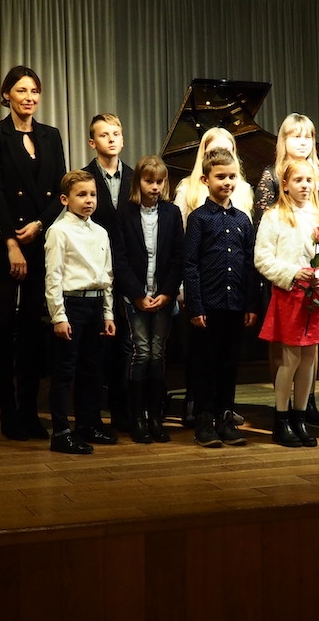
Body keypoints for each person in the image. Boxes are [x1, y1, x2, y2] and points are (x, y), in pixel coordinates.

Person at [0, 66, 65, 441]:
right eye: (21, 90)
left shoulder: (51, 136)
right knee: (3, 328)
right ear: (6, 95)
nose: (29, 97)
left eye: (34, 91)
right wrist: (12, 243)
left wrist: (40, 225)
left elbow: (61, 189)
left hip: (39, 242)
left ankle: (30, 411)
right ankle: (8, 412)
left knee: (32, 329)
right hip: (4, 247)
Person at [253, 113, 319, 429]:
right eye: (298, 181)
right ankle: (282, 415)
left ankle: (301, 414)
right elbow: (263, 256)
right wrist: (291, 273)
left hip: (315, 295)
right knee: (289, 358)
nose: (305, 185)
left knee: (310, 357)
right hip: (288, 293)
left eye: (309, 181)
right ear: (285, 185)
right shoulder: (274, 213)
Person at [173, 126, 254, 427]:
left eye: (232, 177)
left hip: (235, 304)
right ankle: (204, 417)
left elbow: (248, 265)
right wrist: (195, 306)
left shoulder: (243, 220)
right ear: (206, 180)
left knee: (229, 362)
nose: (227, 182)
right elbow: (190, 264)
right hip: (208, 305)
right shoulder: (198, 218)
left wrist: (250, 304)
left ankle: (225, 414)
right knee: (205, 362)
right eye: (221, 177)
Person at [111, 156, 185, 444]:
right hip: (137, 297)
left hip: (163, 295)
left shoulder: (172, 213)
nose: (154, 187)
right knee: (141, 353)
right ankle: (137, 418)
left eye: (159, 182)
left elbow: (178, 257)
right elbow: (120, 259)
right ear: (138, 182)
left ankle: (156, 417)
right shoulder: (125, 212)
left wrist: (167, 293)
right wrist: (137, 295)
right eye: (149, 181)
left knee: (158, 353)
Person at [44, 170, 117, 454]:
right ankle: (62, 432)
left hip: (95, 304)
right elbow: (53, 277)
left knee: (92, 369)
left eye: (93, 195)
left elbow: (106, 276)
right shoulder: (59, 231)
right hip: (71, 304)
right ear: (65, 199)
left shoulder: (100, 232)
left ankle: (88, 424)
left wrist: (108, 314)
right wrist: (59, 316)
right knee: (65, 370)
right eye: (82, 195)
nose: (89, 200)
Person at [82, 114, 134, 432]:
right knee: (98, 345)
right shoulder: (83, 178)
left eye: (116, 133)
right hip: (95, 271)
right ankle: (91, 414)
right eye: (104, 135)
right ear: (93, 142)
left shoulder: (135, 178)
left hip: (127, 271)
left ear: (123, 139)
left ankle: (122, 412)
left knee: (125, 344)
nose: (111, 139)